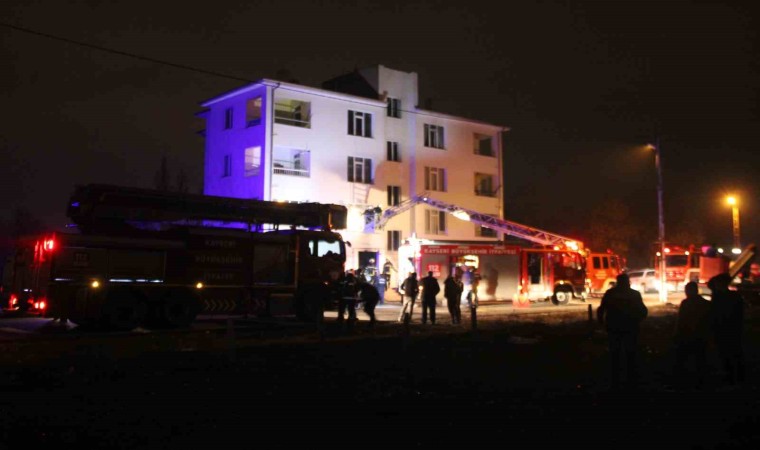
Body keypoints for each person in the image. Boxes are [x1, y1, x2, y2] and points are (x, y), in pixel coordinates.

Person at [597, 273, 648, 391]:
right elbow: (643, 311)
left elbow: (601, 309)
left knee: (615, 354)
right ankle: (631, 380)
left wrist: (601, 323)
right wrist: (638, 320)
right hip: (630, 327)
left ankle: (615, 380)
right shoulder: (634, 294)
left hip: (614, 327)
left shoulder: (610, 294)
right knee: (631, 353)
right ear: (628, 282)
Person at [673, 281, 712, 390]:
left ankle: (684, 381)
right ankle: (701, 381)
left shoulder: (686, 303)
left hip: (687, 335)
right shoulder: (705, 303)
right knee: (700, 358)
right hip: (701, 335)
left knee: (684, 359)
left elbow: (680, 320)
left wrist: (676, 334)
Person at [709, 273, 745, 386]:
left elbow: (714, 314)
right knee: (733, 353)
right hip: (732, 329)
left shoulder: (718, 297)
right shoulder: (734, 296)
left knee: (726, 354)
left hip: (724, 329)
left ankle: (731, 377)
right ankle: (737, 377)